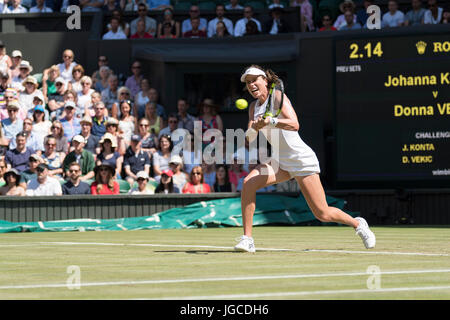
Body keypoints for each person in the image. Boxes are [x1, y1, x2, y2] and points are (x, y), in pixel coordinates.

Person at [234, 65, 376, 252]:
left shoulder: (277, 97)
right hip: (279, 161)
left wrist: (272, 121)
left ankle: (358, 225)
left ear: (265, 81)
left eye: (254, 80)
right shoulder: (253, 107)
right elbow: (248, 138)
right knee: (248, 183)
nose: (251, 84)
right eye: (248, 82)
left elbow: (294, 124)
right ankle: (247, 239)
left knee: (322, 213)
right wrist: (255, 127)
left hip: (300, 159)